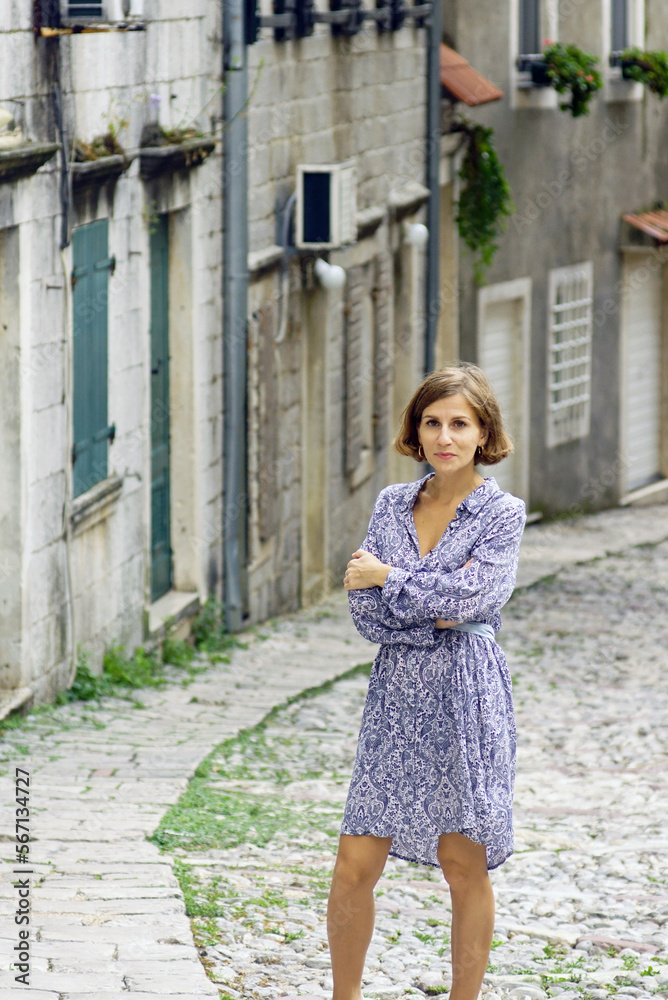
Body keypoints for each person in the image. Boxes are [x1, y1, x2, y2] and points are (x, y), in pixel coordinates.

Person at [327, 362, 527, 1000]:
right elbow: (366, 615)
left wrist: (391, 579)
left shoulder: (502, 515)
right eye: (432, 422)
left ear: (482, 432)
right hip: (395, 698)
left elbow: (475, 597)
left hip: (468, 696)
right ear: (416, 429)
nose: (444, 436)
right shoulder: (391, 503)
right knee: (355, 860)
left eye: (459, 424)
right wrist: (427, 607)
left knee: (461, 861)